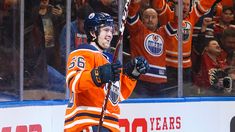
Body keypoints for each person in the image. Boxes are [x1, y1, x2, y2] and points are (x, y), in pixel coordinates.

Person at [64, 12, 149, 131]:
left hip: (109, 125)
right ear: (93, 32)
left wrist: (131, 75)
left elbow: (117, 96)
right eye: (106, 30)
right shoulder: (83, 52)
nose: (110, 34)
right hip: (87, 123)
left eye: (111, 30)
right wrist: (98, 75)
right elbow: (73, 82)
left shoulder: (110, 60)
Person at [151, 0, 221, 90]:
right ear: (176, 4)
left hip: (186, 67)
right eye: (183, 3)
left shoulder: (192, 17)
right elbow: (158, 3)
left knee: (186, 97)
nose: (185, 7)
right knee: (169, 97)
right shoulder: (167, 14)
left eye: (188, 4)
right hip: (168, 66)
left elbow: (205, 3)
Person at [126, 0, 170, 97]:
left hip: (160, 81)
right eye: (147, 17)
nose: (150, 19)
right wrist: (135, 3)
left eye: (153, 17)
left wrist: (177, 11)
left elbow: (175, 24)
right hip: (141, 80)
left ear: (158, 20)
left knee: (160, 110)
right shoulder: (138, 29)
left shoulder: (163, 32)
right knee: (141, 110)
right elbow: (131, 15)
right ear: (142, 19)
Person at [59, 4, 93, 74]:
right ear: (78, 20)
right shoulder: (69, 29)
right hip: (71, 69)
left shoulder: (94, 30)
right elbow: (65, 53)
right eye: (84, 23)